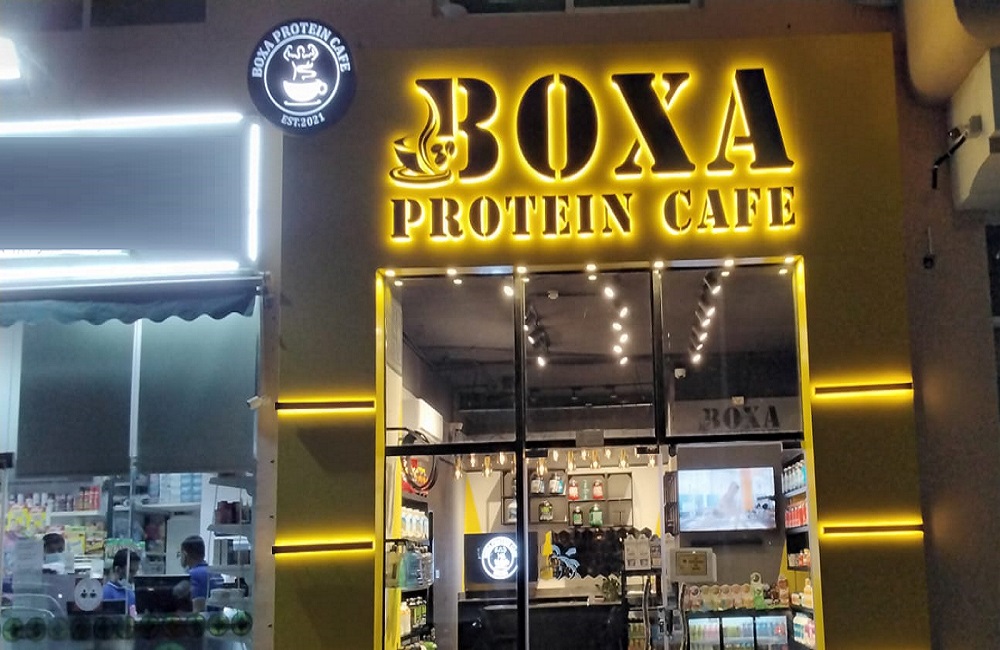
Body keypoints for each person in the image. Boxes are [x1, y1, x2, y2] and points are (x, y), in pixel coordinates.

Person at [177, 535, 222, 613]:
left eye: (180, 554)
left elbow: (193, 609)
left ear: (185, 554)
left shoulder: (191, 576)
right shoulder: (216, 573)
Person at [102, 549, 140, 615]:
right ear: (118, 569)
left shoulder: (131, 594)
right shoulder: (103, 593)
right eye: (131, 571)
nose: (134, 576)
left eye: (136, 571)